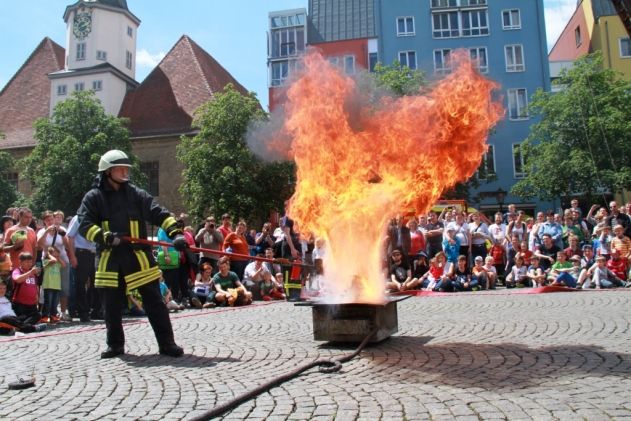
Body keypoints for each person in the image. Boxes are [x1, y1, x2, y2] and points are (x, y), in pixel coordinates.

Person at [77, 150, 185, 358]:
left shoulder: (135, 193)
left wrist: (176, 234)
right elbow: (84, 225)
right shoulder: (93, 197)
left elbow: (157, 212)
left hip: (139, 257)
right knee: (111, 306)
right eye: (120, 168)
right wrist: (105, 236)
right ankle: (115, 346)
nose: (125, 171)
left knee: (155, 302)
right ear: (107, 171)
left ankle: (167, 344)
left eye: (127, 168)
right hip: (110, 258)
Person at [37, 211, 73, 321]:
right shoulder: (42, 232)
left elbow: (67, 246)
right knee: (48, 288)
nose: (50, 222)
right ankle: (48, 312)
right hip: (48, 262)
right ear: (44, 221)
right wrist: (47, 232)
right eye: (47, 220)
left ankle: (63, 312)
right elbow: (39, 246)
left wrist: (63, 234)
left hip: (62, 262)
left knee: (64, 287)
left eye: (51, 219)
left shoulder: (62, 230)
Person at [67, 214, 98, 322]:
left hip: (95, 253)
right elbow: (70, 237)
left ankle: (95, 310)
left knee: (97, 283)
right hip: (81, 253)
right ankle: (83, 312)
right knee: (80, 284)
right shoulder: (78, 218)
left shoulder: (98, 216)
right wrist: (72, 256)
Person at [3, 208, 38, 274]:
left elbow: (35, 249)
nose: (29, 219)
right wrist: (14, 246)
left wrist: (33, 263)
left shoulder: (32, 231)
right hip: (16, 268)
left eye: (30, 217)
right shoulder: (11, 230)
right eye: (26, 217)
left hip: (29, 269)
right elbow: (4, 249)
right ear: (20, 216)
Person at [11, 252, 42, 325]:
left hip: (32, 305)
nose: (29, 264)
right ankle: (24, 326)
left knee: (38, 316)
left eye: (30, 262)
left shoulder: (32, 273)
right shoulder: (17, 271)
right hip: (20, 305)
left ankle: (23, 326)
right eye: (27, 262)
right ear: (21, 262)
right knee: (22, 318)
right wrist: (31, 272)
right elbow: (18, 279)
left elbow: (34, 285)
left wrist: (36, 296)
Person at [41, 246, 64, 323]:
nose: (56, 258)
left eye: (58, 256)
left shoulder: (58, 263)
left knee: (55, 303)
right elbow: (53, 260)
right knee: (48, 302)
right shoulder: (46, 261)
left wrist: (58, 257)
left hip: (56, 286)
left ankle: (53, 316)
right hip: (48, 285)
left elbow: (64, 265)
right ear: (49, 255)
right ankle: (44, 316)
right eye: (55, 255)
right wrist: (49, 254)